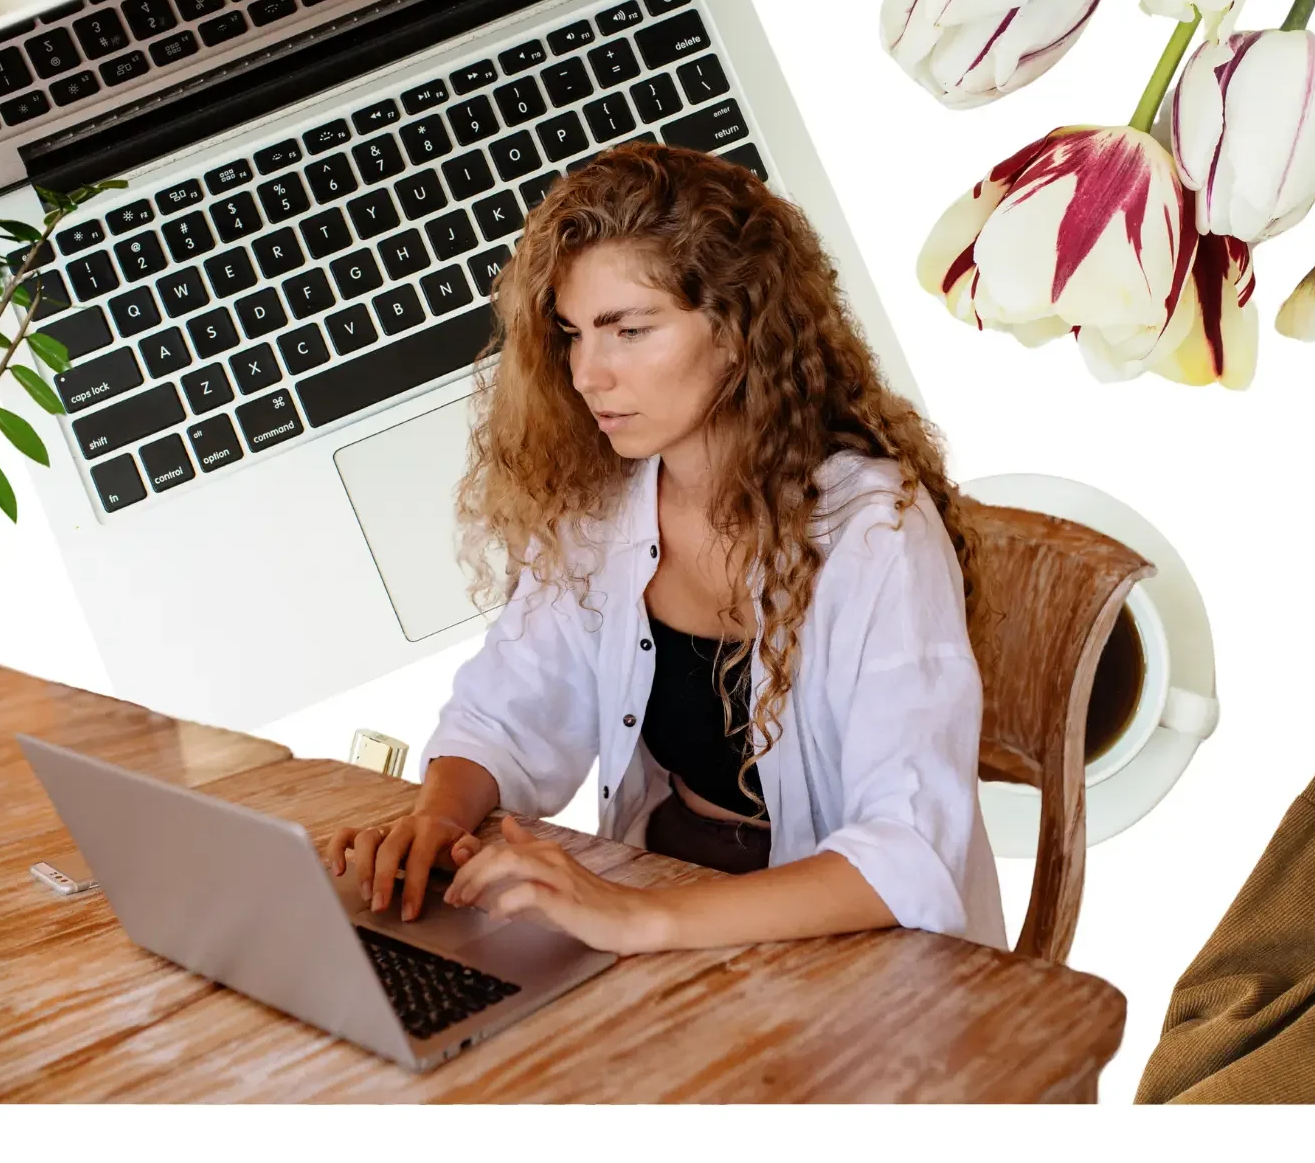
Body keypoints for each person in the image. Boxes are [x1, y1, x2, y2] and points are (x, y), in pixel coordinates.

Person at [319, 141, 1008, 953]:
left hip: (843, 944)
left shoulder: (873, 530)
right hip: (672, 892)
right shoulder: (604, 503)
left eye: (629, 330)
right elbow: (505, 715)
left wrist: (635, 918)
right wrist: (434, 821)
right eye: (573, 334)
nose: (585, 374)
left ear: (739, 327)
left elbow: (909, 854)